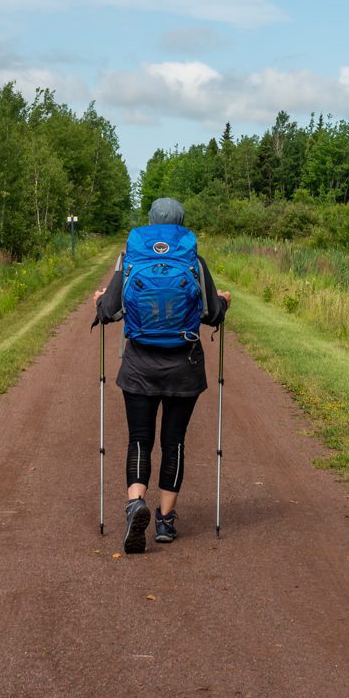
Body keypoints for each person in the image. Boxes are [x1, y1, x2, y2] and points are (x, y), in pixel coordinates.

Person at [91, 196, 231, 553]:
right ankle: (165, 522)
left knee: (140, 438)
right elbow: (212, 313)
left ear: (150, 222)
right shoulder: (193, 260)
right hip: (184, 367)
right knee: (174, 443)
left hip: (139, 366)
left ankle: (135, 501)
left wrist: (100, 300)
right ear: (181, 223)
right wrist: (225, 301)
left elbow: (109, 311)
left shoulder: (131, 257)